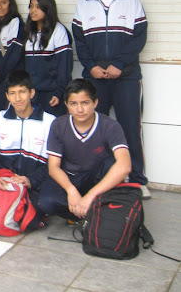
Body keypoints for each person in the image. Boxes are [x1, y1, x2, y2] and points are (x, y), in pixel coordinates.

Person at [72, 0, 149, 198]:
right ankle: (101, 177)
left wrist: (118, 64)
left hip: (125, 76)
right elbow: (80, 42)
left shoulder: (131, 0)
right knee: (96, 128)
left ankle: (137, 180)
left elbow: (139, 38)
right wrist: (92, 66)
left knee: (129, 127)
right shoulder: (84, 4)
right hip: (95, 78)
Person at [38, 79, 132, 220]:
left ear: (95, 103)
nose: (80, 109)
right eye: (73, 104)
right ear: (66, 105)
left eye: (85, 103)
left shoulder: (110, 126)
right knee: (46, 203)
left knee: (112, 164)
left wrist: (90, 196)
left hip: (96, 179)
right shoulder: (58, 125)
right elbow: (53, 167)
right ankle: (85, 214)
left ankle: (89, 208)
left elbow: (125, 166)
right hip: (69, 177)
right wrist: (71, 191)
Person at [0, 70, 55, 219]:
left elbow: (54, 163)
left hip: (34, 184)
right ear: (7, 96)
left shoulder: (50, 122)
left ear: (32, 93)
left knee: (34, 213)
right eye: (13, 93)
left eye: (22, 92)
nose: (18, 98)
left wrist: (31, 181)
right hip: (4, 181)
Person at [25, 0, 73, 117]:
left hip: (51, 94)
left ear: (48, 8)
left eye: (38, 7)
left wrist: (60, 92)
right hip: (32, 93)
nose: (33, 10)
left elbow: (65, 66)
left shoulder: (59, 31)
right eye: (31, 6)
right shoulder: (29, 32)